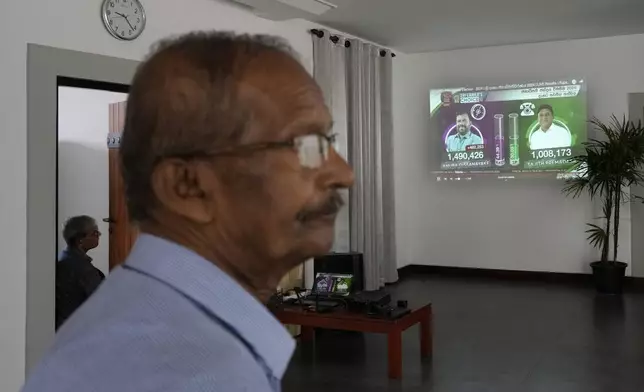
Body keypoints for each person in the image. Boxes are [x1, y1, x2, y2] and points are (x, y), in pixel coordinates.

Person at [22, 32, 353, 392]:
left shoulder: (171, 336)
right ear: (187, 186)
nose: (343, 173)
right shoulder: (189, 373)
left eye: (327, 142)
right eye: (303, 145)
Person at [55, 215, 105, 330]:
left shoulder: (62, 259)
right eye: (95, 233)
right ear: (80, 239)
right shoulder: (83, 269)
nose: (99, 236)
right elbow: (99, 302)